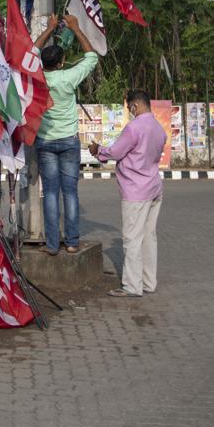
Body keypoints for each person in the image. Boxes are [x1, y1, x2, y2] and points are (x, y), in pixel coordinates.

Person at [87, 90, 166, 298]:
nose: (129, 111)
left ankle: (132, 285)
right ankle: (148, 282)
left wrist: (97, 149)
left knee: (132, 238)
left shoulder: (134, 128)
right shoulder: (159, 128)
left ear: (135, 106)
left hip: (135, 191)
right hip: (154, 187)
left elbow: (116, 152)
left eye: (129, 107)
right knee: (149, 237)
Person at [33, 13, 99, 255]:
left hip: (45, 141)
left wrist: (50, 29)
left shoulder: (37, 77)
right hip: (69, 141)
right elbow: (91, 57)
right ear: (61, 63)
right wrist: (76, 28)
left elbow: (29, 53)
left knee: (50, 193)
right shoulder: (69, 77)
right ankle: (71, 242)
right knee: (70, 192)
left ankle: (52, 244)